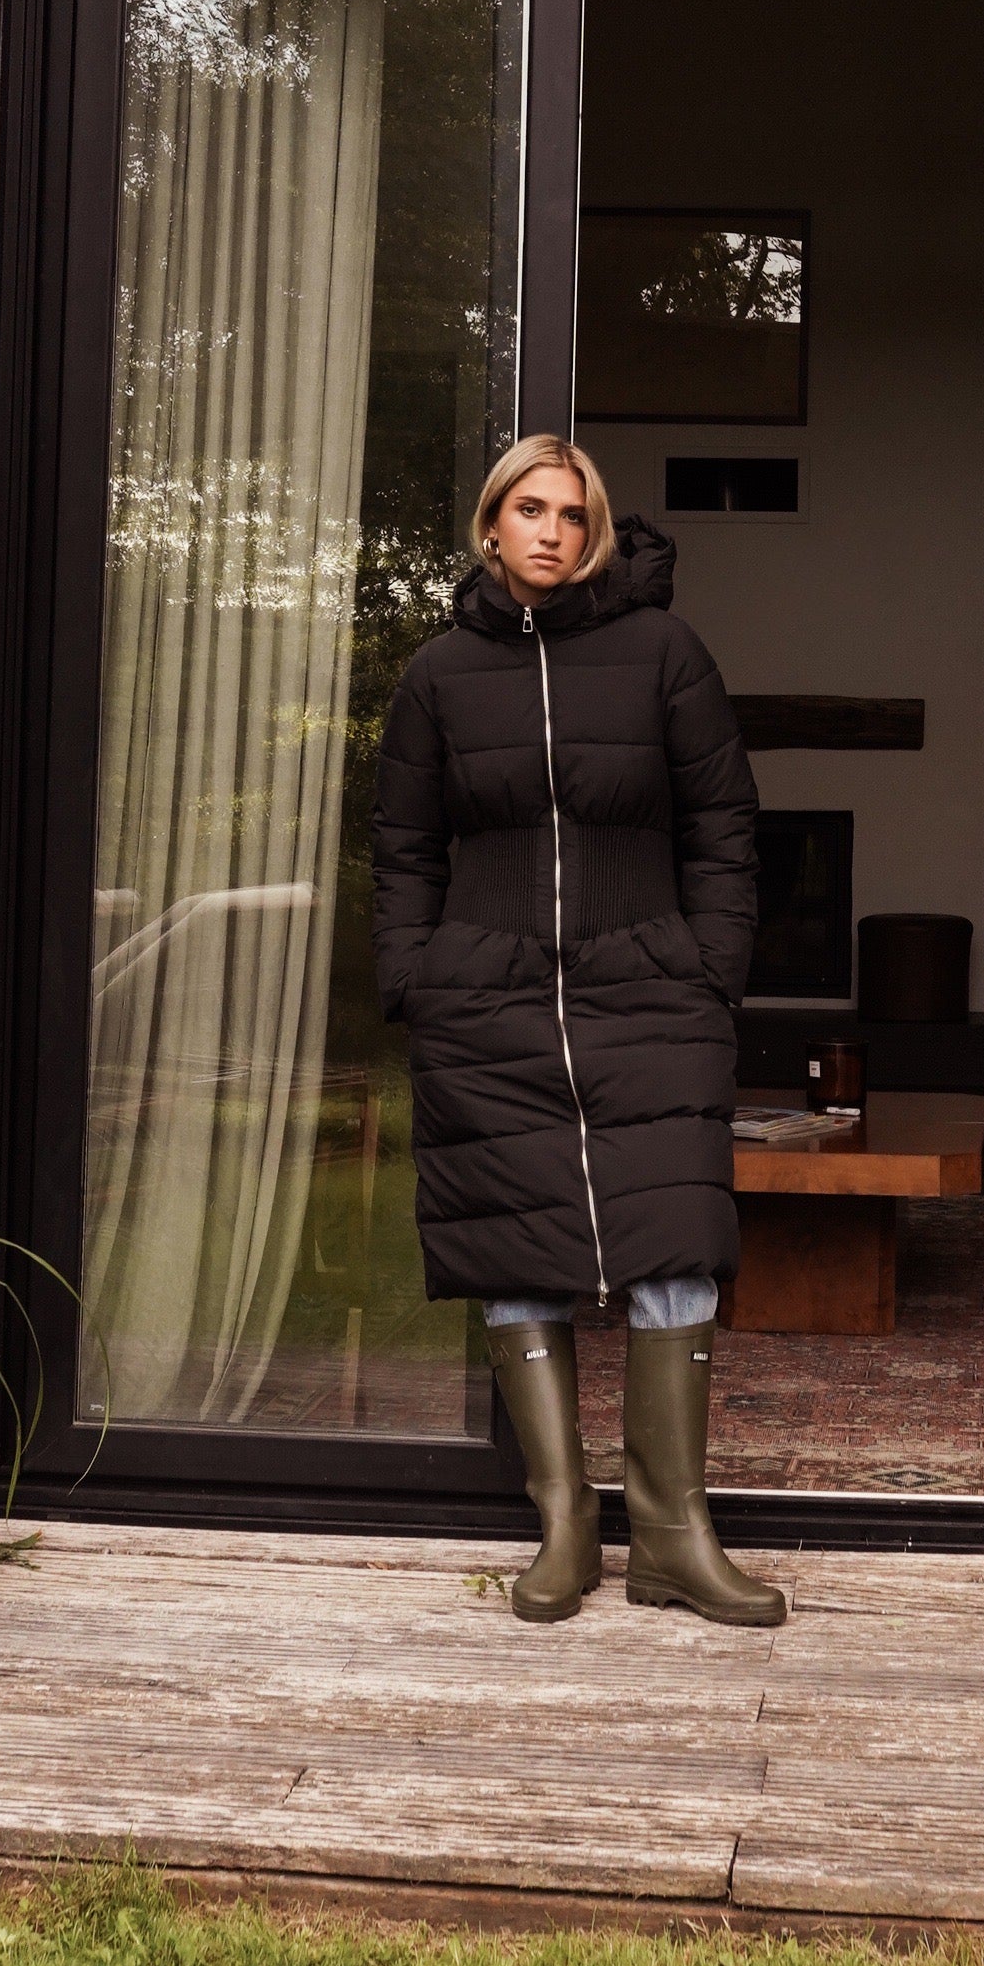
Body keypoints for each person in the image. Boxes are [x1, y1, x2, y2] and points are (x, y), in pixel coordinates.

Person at [371, 434, 786, 1629]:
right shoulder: (438, 675)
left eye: (571, 512)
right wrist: (417, 978)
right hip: (486, 999)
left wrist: (709, 969)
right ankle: (564, 1525)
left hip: (648, 988)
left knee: (674, 1246)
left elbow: (723, 825)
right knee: (516, 1252)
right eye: (528, 509)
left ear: (594, 531)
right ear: (490, 526)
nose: (549, 530)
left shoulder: (662, 653)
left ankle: (673, 1536)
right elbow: (403, 847)